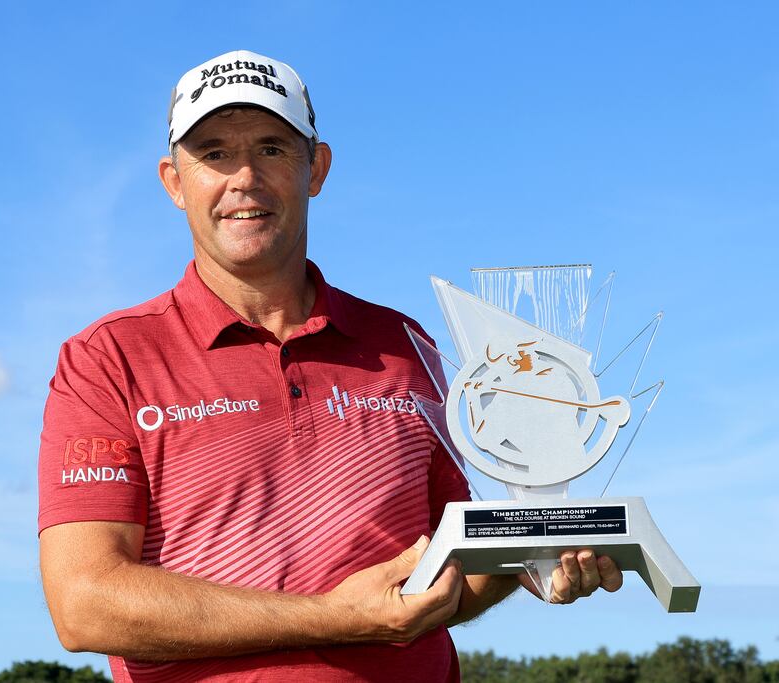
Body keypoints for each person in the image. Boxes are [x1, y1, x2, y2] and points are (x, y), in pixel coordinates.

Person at [37, 49, 623, 683]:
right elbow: (85, 603)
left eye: (270, 148)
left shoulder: (403, 345)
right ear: (174, 181)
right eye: (213, 153)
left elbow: (448, 576)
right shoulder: (108, 359)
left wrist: (532, 550)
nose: (244, 179)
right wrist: (335, 617)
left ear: (316, 168)